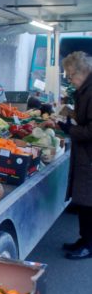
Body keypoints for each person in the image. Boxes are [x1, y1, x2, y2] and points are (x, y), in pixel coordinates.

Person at [58, 51, 92, 259]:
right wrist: (69, 115)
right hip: (86, 156)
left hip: (90, 157)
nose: (70, 80)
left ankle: (88, 245)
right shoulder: (85, 90)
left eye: (71, 76)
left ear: (82, 72)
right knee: (84, 201)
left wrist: (68, 129)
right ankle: (84, 239)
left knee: (89, 202)